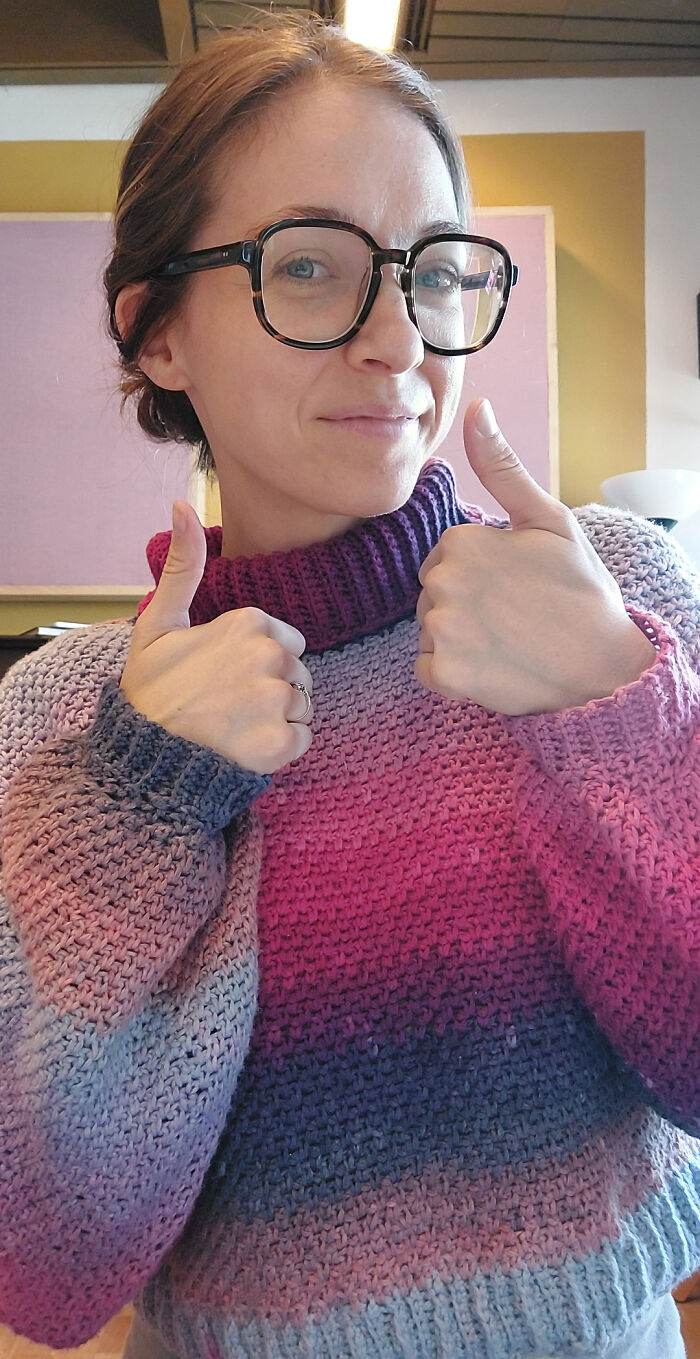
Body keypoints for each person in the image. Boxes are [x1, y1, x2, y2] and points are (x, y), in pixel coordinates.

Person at [0, 17, 698, 1359]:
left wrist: (616, 710)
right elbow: (50, 1262)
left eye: (431, 271)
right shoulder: (70, 721)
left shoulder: (614, 598)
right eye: (308, 267)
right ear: (157, 331)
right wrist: (143, 806)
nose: (398, 340)